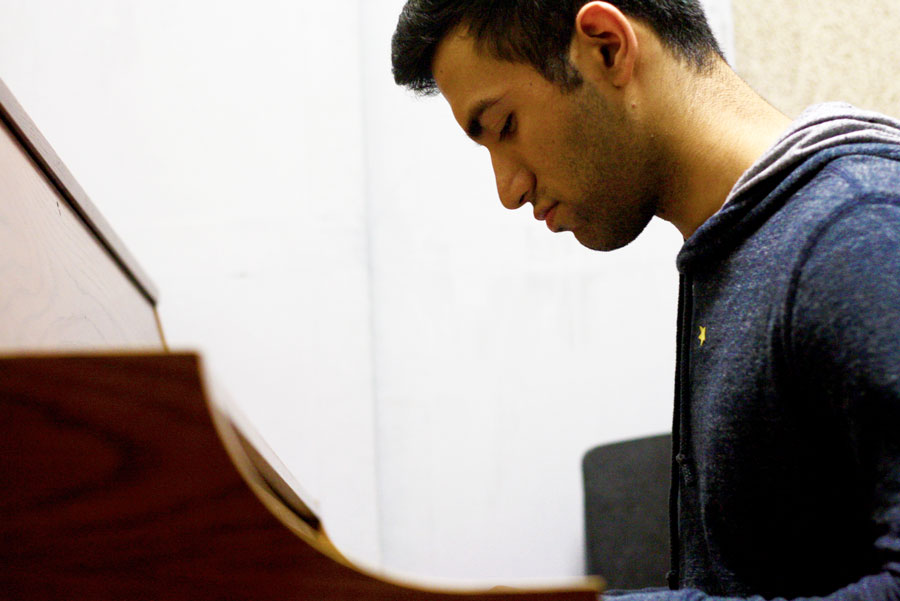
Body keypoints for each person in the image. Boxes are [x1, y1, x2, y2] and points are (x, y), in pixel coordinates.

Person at [390, 1, 900, 600]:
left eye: (504, 125)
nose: (508, 189)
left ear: (607, 47)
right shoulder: (738, 249)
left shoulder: (853, 231)